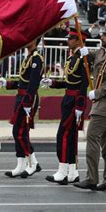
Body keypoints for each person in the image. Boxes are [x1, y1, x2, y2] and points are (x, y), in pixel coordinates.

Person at [73, 22, 106, 191]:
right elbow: (96, 56)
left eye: (105, 35)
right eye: (102, 34)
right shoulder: (102, 51)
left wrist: (98, 92)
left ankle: (91, 178)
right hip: (103, 103)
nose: (102, 37)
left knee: (92, 136)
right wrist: (86, 52)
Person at [42, 28, 90, 185]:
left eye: (71, 38)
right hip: (68, 98)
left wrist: (80, 106)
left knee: (63, 135)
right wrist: (53, 82)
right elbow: (69, 82)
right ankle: (72, 171)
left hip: (75, 99)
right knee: (70, 136)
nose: (68, 41)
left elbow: (83, 85)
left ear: (78, 40)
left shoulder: (83, 59)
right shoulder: (72, 59)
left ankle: (62, 171)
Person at [0, 38, 44, 178]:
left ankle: (33, 163)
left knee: (20, 132)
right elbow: (23, 82)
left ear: (34, 41)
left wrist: (27, 102)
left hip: (28, 99)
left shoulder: (37, 59)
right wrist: (7, 84)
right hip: (21, 97)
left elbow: (33, 84)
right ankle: (21, 165)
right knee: (18, 131)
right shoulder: (28, 57)